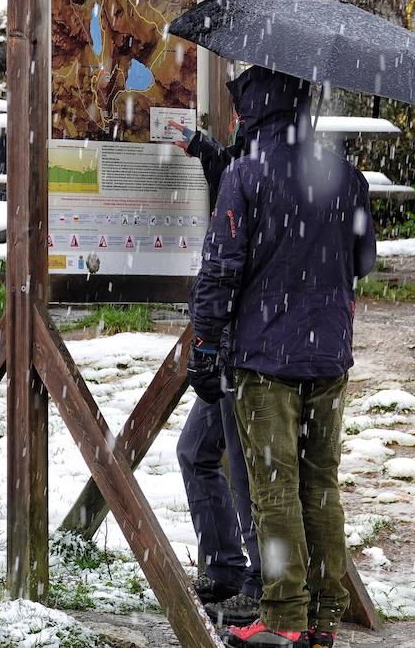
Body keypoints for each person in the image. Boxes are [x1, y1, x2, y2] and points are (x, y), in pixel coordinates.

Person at [191, 67, 376, 648]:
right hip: (328, 358)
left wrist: (204, 348)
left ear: (254, 114)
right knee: (321, 488)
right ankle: (322, 618)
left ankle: (283, 618)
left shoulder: (245, 175)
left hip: (264, 360)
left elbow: (220, 272)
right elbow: (364, 261)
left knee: (274, 491)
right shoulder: (347, 178)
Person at [175, 110, 262, 627]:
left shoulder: (266, 162)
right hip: (243, 344)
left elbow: (226, 258)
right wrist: (209, 152)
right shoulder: (266, 154)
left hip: (245, 349)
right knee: (196, 452)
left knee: (251, 473)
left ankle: (257, 586)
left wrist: (207, 344)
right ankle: (228, 569)